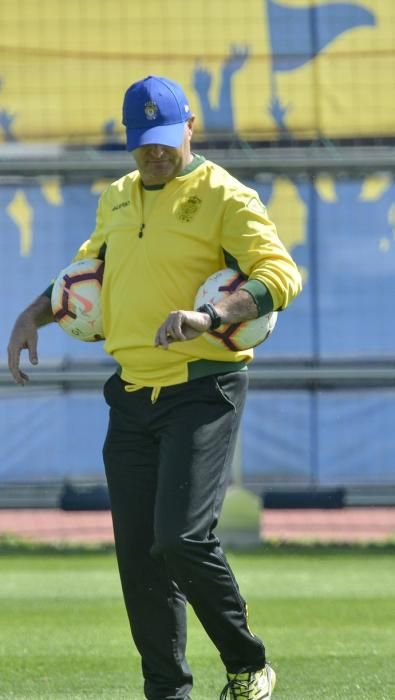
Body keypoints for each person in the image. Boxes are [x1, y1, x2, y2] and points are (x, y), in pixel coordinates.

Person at [7, 75, 302, 700]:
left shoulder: (226, 194)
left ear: (190, 128)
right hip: (131, 393)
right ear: (129, 140)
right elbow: (86, 270)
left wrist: (213, 316)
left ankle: (249, 665)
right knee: (140, 558)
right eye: (145, 144)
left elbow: (281, 273)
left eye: (167, 140)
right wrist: (32, 313)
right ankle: (167, 692)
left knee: (180, 538)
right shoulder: (117, 197)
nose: (157, 153)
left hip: (202, 387)